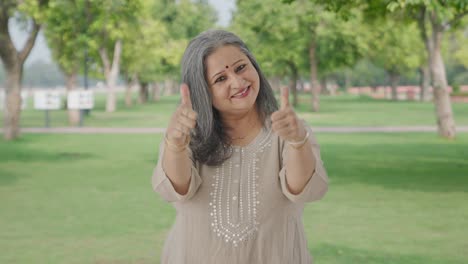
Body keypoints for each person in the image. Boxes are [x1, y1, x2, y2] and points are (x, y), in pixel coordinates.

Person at [151, 29, 328, 264]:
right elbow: (177, 189)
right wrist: (174, 145)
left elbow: (301, 189)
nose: (237, 81)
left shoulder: (289, 130)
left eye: (241, 67)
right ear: (203, 92)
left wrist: (297, 142)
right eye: (220, 79)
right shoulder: (185, 135)